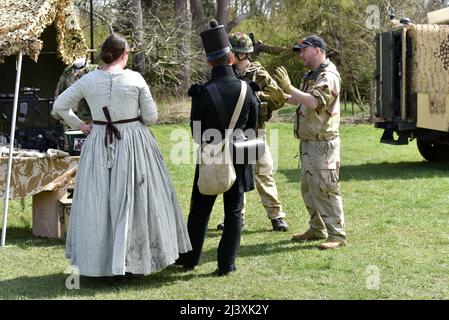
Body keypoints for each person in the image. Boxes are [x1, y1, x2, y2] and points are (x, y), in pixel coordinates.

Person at [53, 33, 191, 277]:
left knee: (99, 201)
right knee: (135, 199)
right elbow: (151, 117)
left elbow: (59, 106)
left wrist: (81, 125)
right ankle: (133, 262)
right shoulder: (135, 79)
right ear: (123, 54)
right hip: (133, 142)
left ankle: (101, 263)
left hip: (98, 142)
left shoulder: (88, 80)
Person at [175, 20, 259, 276]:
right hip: (240, 156)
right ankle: (227, 265)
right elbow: (253, 127)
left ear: (209, 62)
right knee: (234, 213)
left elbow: (197, 134)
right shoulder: (248, 88)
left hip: (211, 155)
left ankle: (189, 260)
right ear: (231, 57)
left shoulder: (202, 92)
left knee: (199, 212)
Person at [268, 35, 347, 250]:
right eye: (300, 51)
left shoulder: (328, 76)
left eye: (304, 50)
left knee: (326, 188)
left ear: (318, 50)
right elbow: (300, 98)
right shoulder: (312, 75)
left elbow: (313, 102)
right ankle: (317, 228)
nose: (301, 55)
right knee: (309, 188)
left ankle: (337, 235)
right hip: (309, 143)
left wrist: (290, 87)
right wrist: (281, 94)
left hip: (323, 144)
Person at [215, 32, 289, 232]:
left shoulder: (259, 73)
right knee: (234, 176)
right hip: (231, 133)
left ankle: (276, 216)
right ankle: (235, 216)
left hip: (255, 131)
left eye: (231, 51)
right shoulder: (226, 72)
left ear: (240, 54)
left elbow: (279, 99)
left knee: (263, 173)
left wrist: (257, 96)